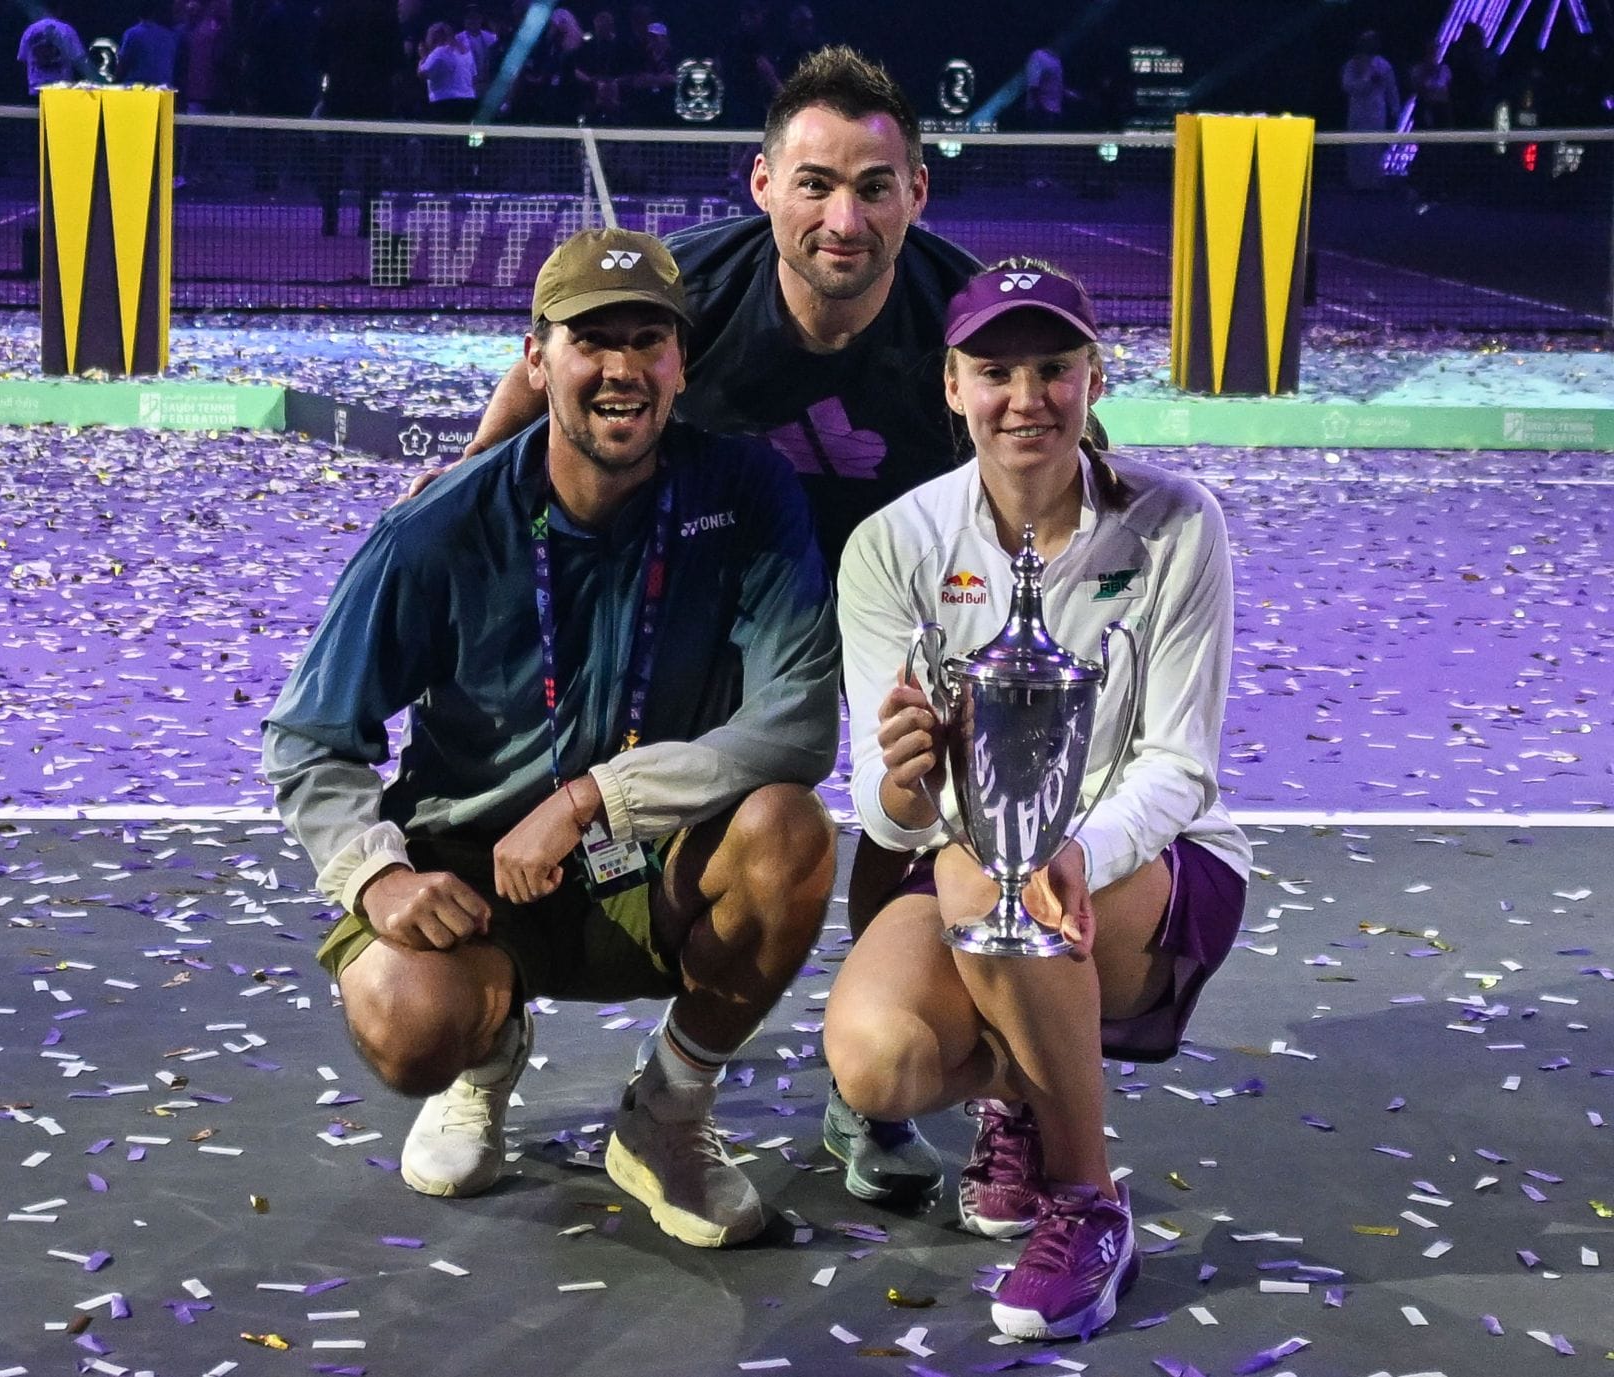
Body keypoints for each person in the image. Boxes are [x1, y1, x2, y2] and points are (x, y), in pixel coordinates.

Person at [447, 46, 986, 1211]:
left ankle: (871, 1083)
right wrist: (457, 494)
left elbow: (1039, 443)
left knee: (919, 803)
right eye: (815, 183)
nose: (845, 217)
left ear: (917, 195)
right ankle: (485, 1039)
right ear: (761, 185)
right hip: (721, 576)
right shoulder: (688, 287)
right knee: (574, 766)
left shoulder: (964, 314)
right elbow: (546, 373)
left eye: (875, 186)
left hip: (904, 589)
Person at [264, 228, 840, 1249]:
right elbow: (312, 735)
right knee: (406, 1021)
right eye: (591, 340)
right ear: (538, 360)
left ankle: (666, 1113)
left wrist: (593, 800)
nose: (621, 368)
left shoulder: (743, 494)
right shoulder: (441, 527)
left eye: (648, 340)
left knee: (790, 833)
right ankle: (487, 1052)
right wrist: (377, 879)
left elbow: (795, 720)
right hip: (478, 868)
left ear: (680, 364)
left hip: (653, 858)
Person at [823, 259, 1250, 1340]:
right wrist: (908, 784)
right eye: (995, 371)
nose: (1027, 399)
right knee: (878, 1058)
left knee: (990, 880)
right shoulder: (892, 548)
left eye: (1054, 368)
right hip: (977, 882)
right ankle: (1023, 1086)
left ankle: (1087, 1202)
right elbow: (884, 812)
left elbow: (1179, 765)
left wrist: (1078, 851)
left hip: (1157, 868)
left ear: (1095, 377)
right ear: (951, 386)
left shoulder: (1176, 525)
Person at [1341, 29, 1400, 190]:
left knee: (1374, 147)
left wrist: (1395, 110)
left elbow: (1391, 89)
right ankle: (1357, 183)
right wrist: (1367, 83)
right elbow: (1347, 86)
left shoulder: (1383, 65)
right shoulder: (1353, 64)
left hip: (1376, 113)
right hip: (1358, 112)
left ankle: (1374, 182)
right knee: (1356, 146)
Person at [16, 1, 86, 94]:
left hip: (36, 88)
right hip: (61, 90)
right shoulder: (67, 30)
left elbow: (22, 59)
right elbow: (79, 60)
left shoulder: (30, 31)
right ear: (59, 10)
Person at [415, 20, 477, 121]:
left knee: (446, 135)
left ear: (436, 36)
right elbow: (474, 76)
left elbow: (422, 74)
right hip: (468, 100)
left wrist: (423, 57)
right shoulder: (466, 52)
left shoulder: (439, 52)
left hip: (445, 102)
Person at [117, 0, 181, 87]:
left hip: (137, 90)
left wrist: (114, 82)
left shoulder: (133, 33)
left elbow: (123, 65)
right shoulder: (172, 36)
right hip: (165, 90)